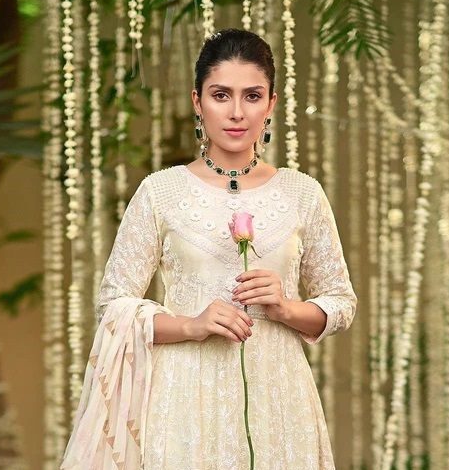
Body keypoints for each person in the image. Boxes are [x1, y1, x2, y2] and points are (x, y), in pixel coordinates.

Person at [61, 28, 357, 470]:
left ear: (271, 104)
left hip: (280, 398)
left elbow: (341, 303)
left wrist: (285, 308)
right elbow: (112, 307)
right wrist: (191, 324)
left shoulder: (302, 193)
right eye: (221, 95)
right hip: (185, 399)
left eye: (252, 96)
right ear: (198, 102)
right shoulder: (160, 192)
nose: (237, 112)